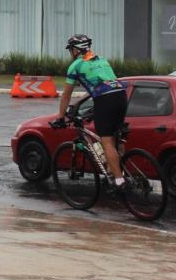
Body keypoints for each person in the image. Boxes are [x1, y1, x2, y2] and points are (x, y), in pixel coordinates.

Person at [55, 34, 128, 187]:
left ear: (75, 50)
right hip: (121, 96)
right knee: (117, 136)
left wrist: (60, 117)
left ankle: (119, 181)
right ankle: (114, 169)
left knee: (106, 140)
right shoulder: (102, 59)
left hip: (105, 99)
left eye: (70, 50)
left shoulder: (76, 66)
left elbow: (66, 95)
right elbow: (104, 83)